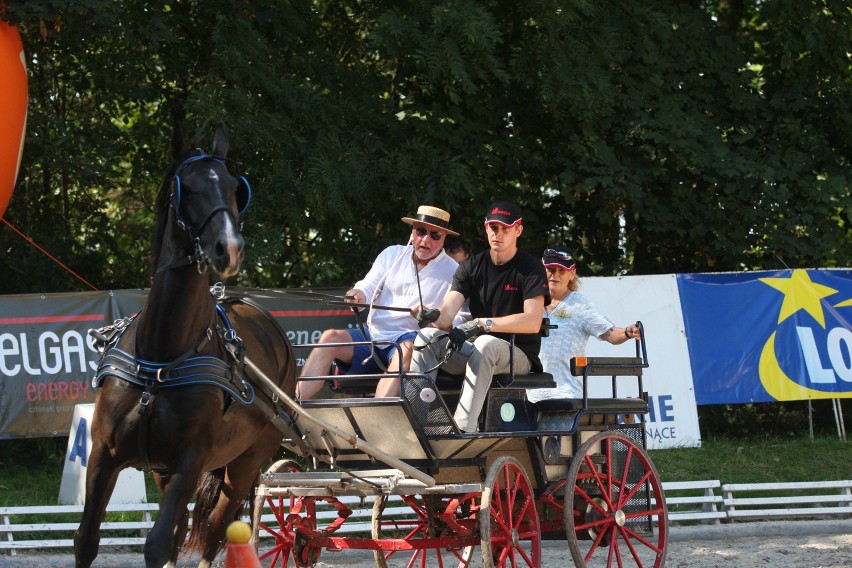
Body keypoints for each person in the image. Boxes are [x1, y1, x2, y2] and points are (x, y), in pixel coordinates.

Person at [410, 201, 549, 433]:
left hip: (519, 356)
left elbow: (532, 322)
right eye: (494, 227)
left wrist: (483, 324)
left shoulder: (531, 267)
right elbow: (445, 317)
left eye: (506, 228)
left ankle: (464, 429)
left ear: (518, 230)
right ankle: (420, 424)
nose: (498, 234)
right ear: (486, 228)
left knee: (485, 343)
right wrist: (431, 315)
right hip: (477, 353)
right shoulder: (470, 266)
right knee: (426, 337)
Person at [297, 205, 460, 400]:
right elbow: (368, 287)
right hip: (373, 335)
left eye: (434, 235)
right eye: (421, 231)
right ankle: (293, 407)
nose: (425, 240)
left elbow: (458, 321)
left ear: (444, 238)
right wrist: (357, 295)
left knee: (407, 348)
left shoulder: (454, 270)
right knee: (330, 337)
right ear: (412, 231)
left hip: (408, 340)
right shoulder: (392, 254)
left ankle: (375, 423)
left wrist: (433, 316)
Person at [526, 245, 640, 403]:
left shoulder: (579, 305)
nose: (555, 275)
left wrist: (628, 332)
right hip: (526, 395)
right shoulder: (530, 301)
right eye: (551, 269)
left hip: (564, 395)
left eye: (562, 271)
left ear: (572, 274)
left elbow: (610, 334)